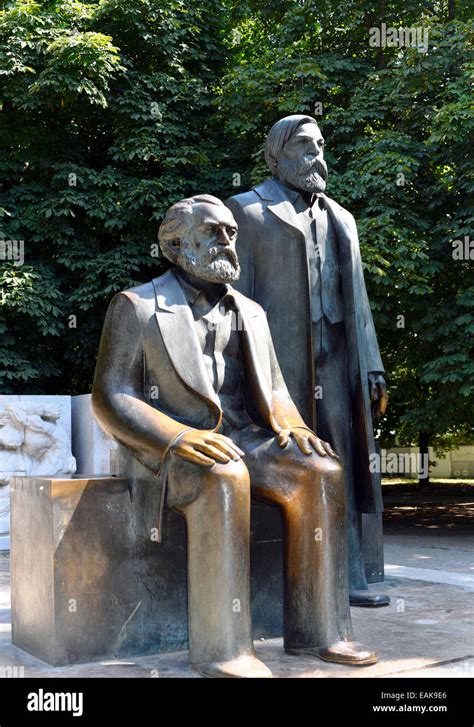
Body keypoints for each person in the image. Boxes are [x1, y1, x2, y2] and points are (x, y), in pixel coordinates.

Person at [92, 194, 378, 677]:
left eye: (231, 232)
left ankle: (321, 632)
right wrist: (177, 438)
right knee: (224, 476)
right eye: (213, 232)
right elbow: (112, 397)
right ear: (175, 245)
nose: (228, 240)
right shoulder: (137, 307)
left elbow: (277, 392)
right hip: (168, 448)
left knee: (320, 472)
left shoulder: (251, 311)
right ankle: (222, 648)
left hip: (246, 438)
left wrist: (297, 428)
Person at [227, 115, 390, 606]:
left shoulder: (342, 218)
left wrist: (374, 365)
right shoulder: (247, 211)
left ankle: (348, 576)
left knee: (342, 459)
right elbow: (233, 299)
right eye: (303, 146)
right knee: (291, 461)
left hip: (338, 359)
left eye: (320, 145)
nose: (317, 154)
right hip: (277, 365)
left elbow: (358, 300)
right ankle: (285, 583)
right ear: (276, 154)